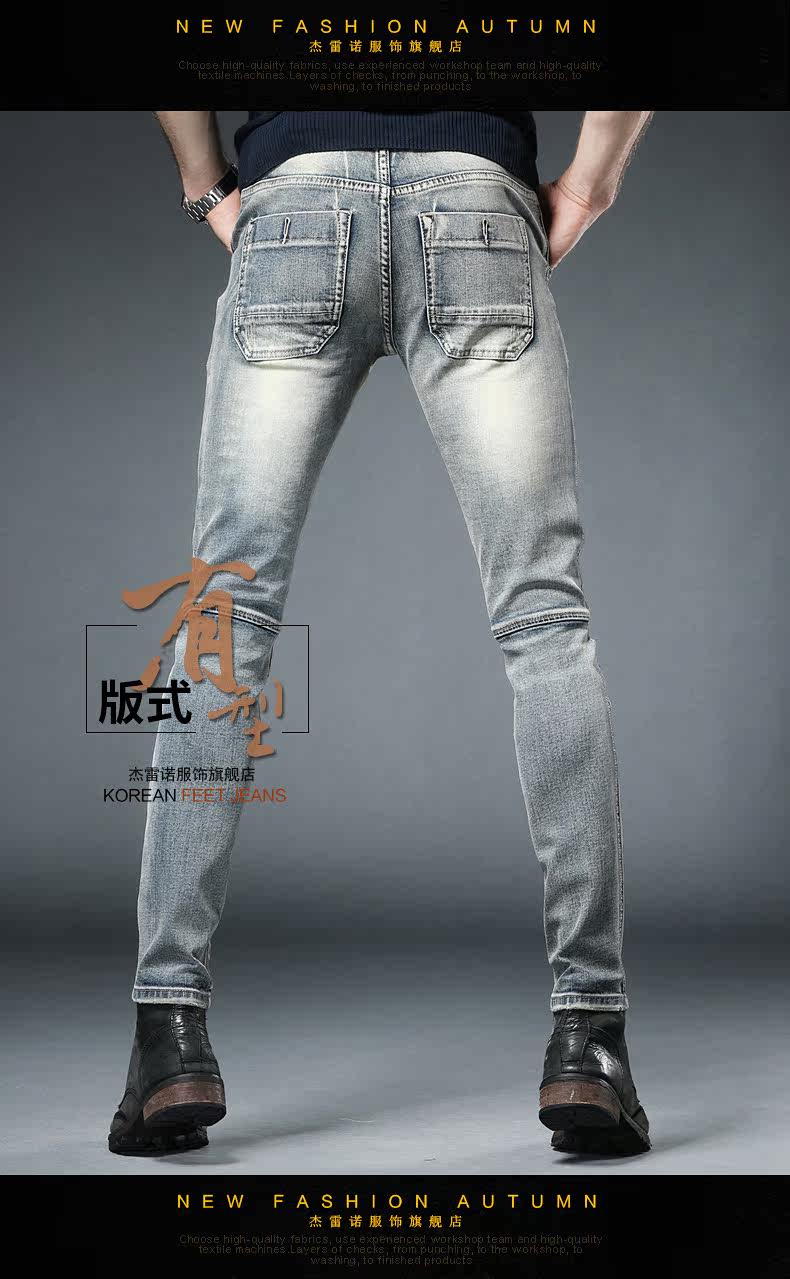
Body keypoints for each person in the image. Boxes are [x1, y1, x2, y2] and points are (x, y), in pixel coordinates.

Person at [108, 107, 654, 1158]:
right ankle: (590, 1041)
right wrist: (590, 182)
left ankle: (168, 1039)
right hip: (477, 202)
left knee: (224, 617)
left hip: (294, 203)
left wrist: (207, 183)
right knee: (544, 621)